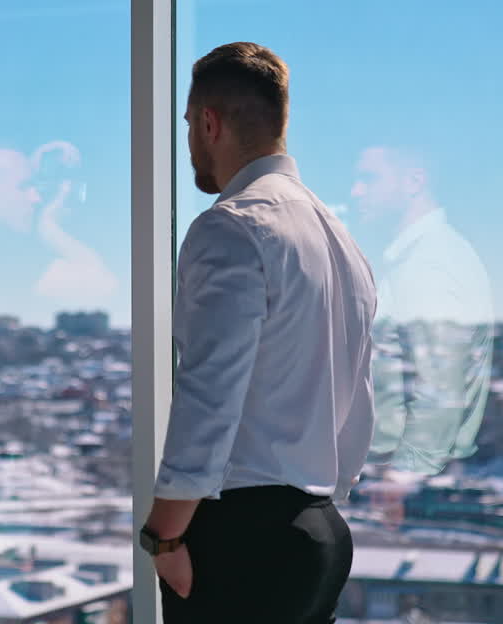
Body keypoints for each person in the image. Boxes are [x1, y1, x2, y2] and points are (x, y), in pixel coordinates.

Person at [139, 43, 378, 622]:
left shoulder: (231, 227)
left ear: (209, 122)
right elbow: (359, 398)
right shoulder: (339, 239)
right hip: (320, 532)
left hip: (243, 539)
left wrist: (164, 536)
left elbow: (209, 391)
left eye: (190, 124)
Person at [351, 145, 493, 479]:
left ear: (414, 181)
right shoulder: (420, 258)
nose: (355, 191)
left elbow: (440, 390)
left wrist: (402, 481)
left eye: (368, 179)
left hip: (410, 474)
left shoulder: (429, 263)